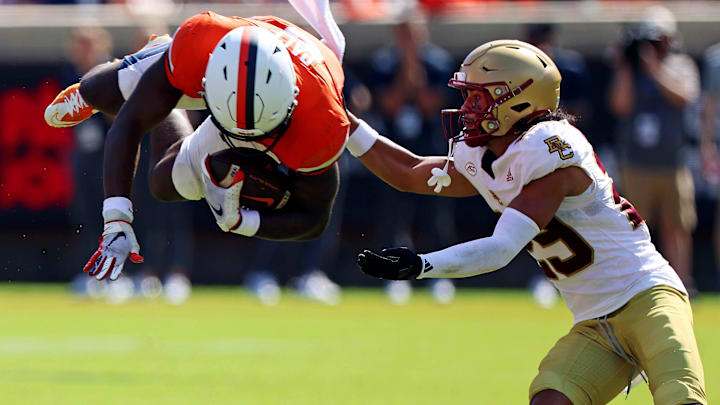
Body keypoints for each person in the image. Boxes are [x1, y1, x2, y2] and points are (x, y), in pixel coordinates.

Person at [345, 39, 706, 404]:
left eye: (478, 97)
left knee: (681, 399)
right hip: (595, 324)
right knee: (551, 400)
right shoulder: (486, 153)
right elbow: (409, 172)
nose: (467, 108)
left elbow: (501, 249)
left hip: (649, 298)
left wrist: (421, 265)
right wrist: (344, 125)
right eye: (468, 96)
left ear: (518, 100)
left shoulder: (549, 149)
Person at [44, 11, 349, 282]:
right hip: (208, 79)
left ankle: (167, 104)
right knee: (99, 92)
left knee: (165, 184)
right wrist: (117, 217)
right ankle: (156, 62)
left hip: (278, 114)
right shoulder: (199, 41)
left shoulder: (323, 116)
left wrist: (243, 222)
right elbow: (129, 122)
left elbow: (315, 219)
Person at [608, 5, 700, 294]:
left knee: (677, 226)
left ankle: (683, 282)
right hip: (637, 163)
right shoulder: (631, 70)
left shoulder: (680, 64)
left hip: (672, 162)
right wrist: (625, 65)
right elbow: (620, 105)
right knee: (635, 227)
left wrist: (654, 68)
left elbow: (684, 96)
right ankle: (635, 284)